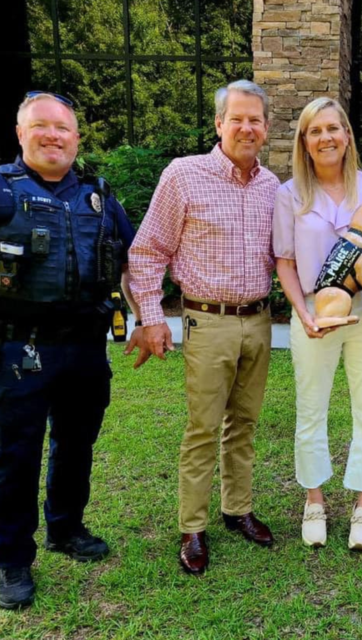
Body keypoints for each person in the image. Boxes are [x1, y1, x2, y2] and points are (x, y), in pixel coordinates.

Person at [0, 91, 136, 609]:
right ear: (21, 133)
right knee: (14, 458)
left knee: (76, 446)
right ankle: (12, 559)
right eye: (42, 126)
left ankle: (65, 527)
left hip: (84, 351)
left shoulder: (100, 196)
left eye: (64, 128)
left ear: (77, 139)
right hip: (16, 351)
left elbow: (129, 265)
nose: (53, 136)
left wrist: (142, 319)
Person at [124, 80, 279, 575]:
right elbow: (147, 251)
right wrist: (150, 317)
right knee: (203, 428)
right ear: (218, 124)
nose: (246, 127)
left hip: (259, 320)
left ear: (266, 127)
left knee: (246, 423)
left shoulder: (273, 186)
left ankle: (238, 509)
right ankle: (192, 526)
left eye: (255, 119)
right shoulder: (184, 176)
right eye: (237, 118)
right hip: (207, 321)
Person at [273, 97, 362, 551]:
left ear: (346, 136)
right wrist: (302, 312)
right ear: (304, 143)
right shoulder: (289, 195)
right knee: (311, 410)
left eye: (333, 128)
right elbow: (284, 262)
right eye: (315, 131)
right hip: (314, 313)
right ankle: (314, 500)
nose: (325, 137)